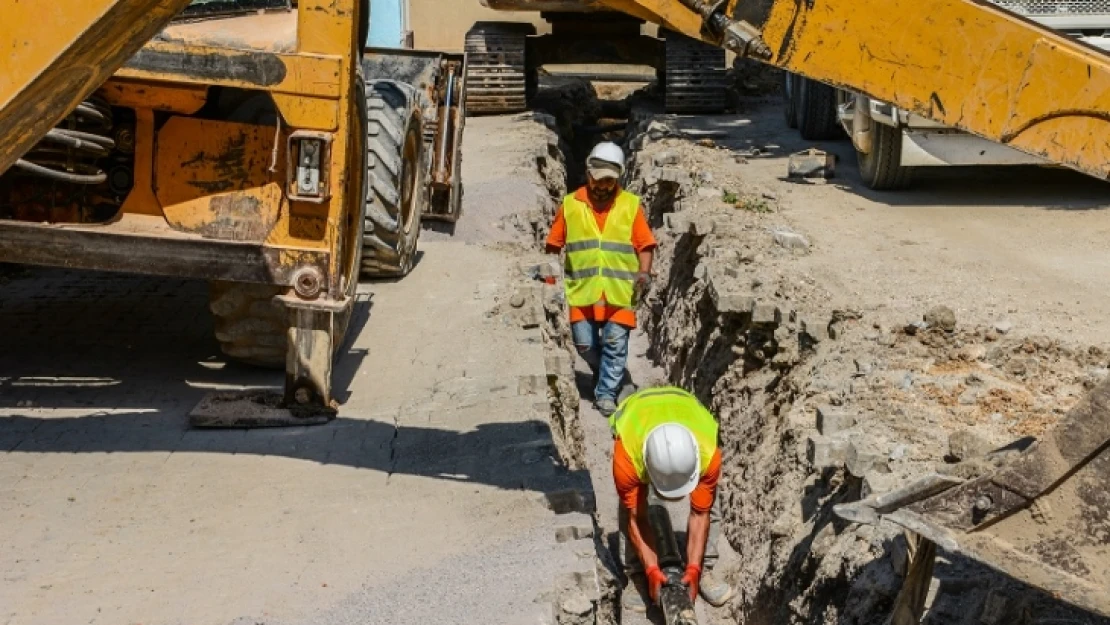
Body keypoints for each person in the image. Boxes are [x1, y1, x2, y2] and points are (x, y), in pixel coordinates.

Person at [545, 141, 655, 417]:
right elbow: (553, 245)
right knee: (584, 345)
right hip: (582, 291)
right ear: (588, 173)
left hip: (620, 292)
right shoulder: (570, 205)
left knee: (615, 344)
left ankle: (606, 393)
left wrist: (644, 273)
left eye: (610, 181)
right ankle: (610, 373)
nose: (604, 186)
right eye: (599, 179)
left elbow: (646, 245)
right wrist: (548, 282)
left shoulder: (630, 205)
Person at [609, 385, 734, 612]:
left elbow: (700, 514)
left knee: (708, 502)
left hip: (685, 407)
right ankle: (636, 573)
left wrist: (694, 569)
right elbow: (638, 519)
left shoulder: (708, 451)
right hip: (637, 413)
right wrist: (651, 570)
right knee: (630, 507)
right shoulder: (627, 454)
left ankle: (704, 568)